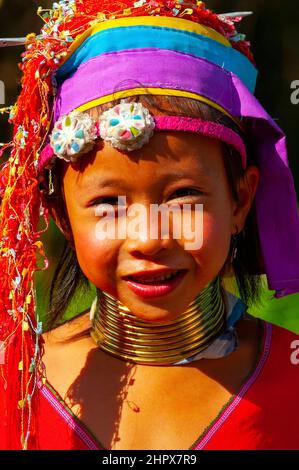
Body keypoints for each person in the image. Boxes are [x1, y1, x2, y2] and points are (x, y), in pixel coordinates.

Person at [0, 0, 299, 451]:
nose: (149, 238)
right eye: (108, 205)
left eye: (183, 197)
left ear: (240, 199)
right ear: (61, 215)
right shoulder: (15, 387)